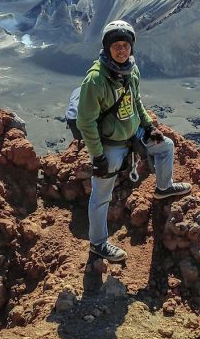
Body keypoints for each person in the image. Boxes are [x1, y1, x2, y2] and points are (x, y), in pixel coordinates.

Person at [76, 20, 192, 262]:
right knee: (101, 196)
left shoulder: (131, 70)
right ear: (107, 47)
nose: (121, 50)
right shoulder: (96, 80)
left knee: (166, 146)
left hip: (133, 134)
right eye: (116, 45)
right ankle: (98, 243)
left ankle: (163, 187)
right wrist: (97, 156)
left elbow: (136, 102)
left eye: (126, 45)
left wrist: (149, 127)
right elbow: (85, 122)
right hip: (109, 144)